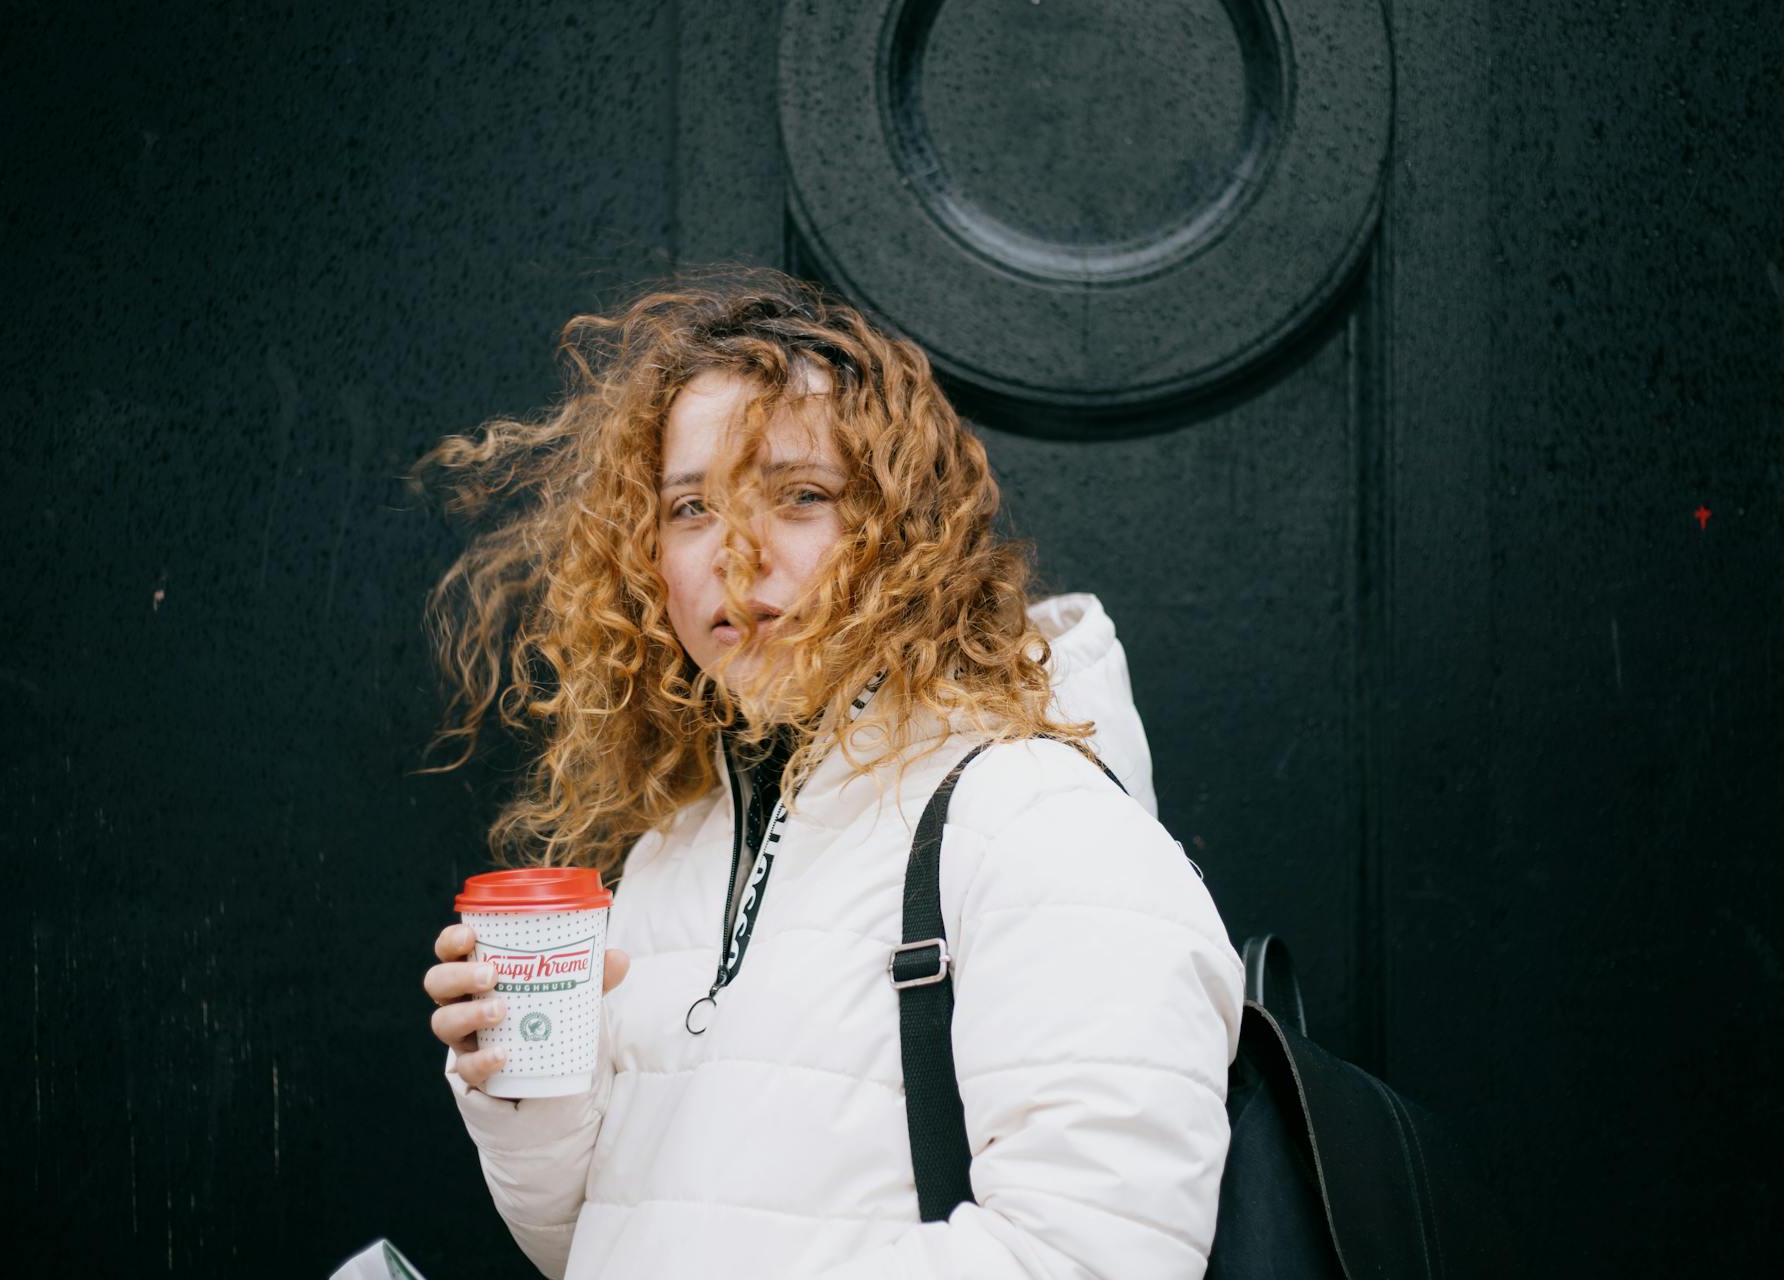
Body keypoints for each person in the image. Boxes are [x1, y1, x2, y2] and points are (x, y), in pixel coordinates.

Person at [412, 267, 1244, 1279]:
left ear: (906, 530)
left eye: (799, 494)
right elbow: (600, 1237)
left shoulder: (1042, 825)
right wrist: (532, 1083)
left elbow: (1090, 1255)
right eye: (690, 507)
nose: (735, 555)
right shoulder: (675, 850)